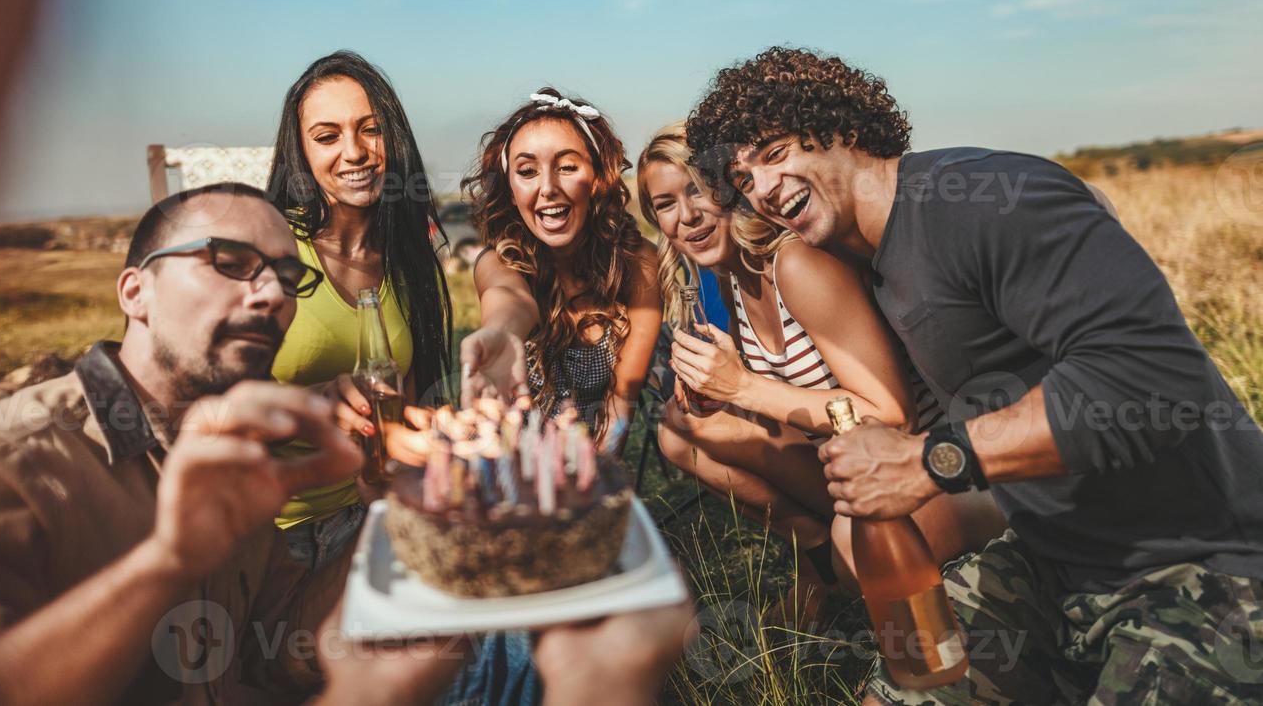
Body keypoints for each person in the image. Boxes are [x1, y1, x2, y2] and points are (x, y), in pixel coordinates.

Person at [0, 183, 697, 704]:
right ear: (133, 290)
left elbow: (277, 644)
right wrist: (167, 562)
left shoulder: (235, 448)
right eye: (227, 261)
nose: (271, 295)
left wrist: (405, 524)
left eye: (287, 277)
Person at [686, 46, 1263, 704]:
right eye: (742, 180)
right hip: (1053, 562)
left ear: (837, 123)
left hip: (1204, 565)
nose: (759, 188)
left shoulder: (982, 200)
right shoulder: (866, 259)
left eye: (773, 151)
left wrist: (932, 461)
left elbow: (1151, 378)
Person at [637, 124, 1004, 624]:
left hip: (920, 461)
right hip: (846, 460)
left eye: (698, 190)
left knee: (853, 554)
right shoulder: (732, 282)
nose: (687, 216)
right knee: (680, 432)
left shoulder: (795, 264)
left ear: (732, 187)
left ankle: (851, 565)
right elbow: (788, 397)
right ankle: (815, 556)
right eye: (665, 203)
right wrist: (719, 394)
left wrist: (743, 386)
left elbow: (892, 415)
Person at [265, 52, 450, 577]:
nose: (355, 153)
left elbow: (402, 422)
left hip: (376, 516)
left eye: (371, 130)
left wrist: (432, 436)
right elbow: (199, 418)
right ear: (300, 150)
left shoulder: (407, 261)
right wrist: (312, 405)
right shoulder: (270, 249)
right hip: (274, 534)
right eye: (327, 136)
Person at [459, 88, 661, 446]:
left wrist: (590, 477)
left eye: (567, 167)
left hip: (591, 462)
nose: (548, 187)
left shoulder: (639, 261)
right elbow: (507, 298)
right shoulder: (498, 262)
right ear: (509, 188)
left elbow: (621, 401)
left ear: (598, 178)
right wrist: (504, 334)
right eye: (527, 171)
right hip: (513, 460)